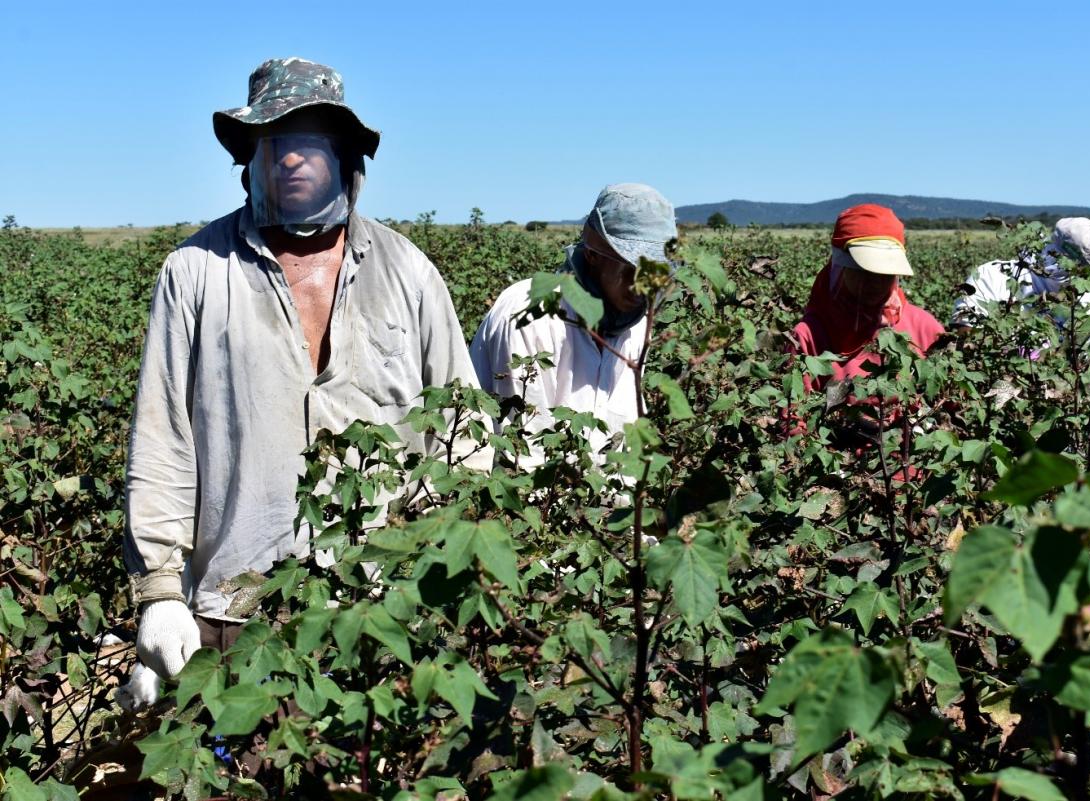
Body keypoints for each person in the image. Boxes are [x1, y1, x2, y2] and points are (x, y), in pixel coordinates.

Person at [121, 57, 487, 705]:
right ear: (250, 161)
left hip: (381, 607)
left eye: (308, 142)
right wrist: (158, 592)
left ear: (347, 159)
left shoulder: (408, 273)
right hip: (234, 612)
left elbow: (464, 436)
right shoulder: (195, 272)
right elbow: (163, 442)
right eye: (274, 144)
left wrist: (454, 566)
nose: (290, 159)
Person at [469, 184, 676, 467]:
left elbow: (624, 434)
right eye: (633, 269)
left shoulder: (636, 323)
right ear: (593, 255)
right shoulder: (532, 315)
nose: (643, 286)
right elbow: (524, 455)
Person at [789, 203, 945, 391]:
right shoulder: (809, 336)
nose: (876, 282)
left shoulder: (924, 328)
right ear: (840, 266)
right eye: (864, 271)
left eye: (886, 272)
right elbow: (795, 414)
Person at [951, 217, 1090, 327]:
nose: (1083, 283)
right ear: (1060, 259)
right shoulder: (992, 277)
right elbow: (965, 337)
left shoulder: (1086, 306)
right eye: (1083, 273)